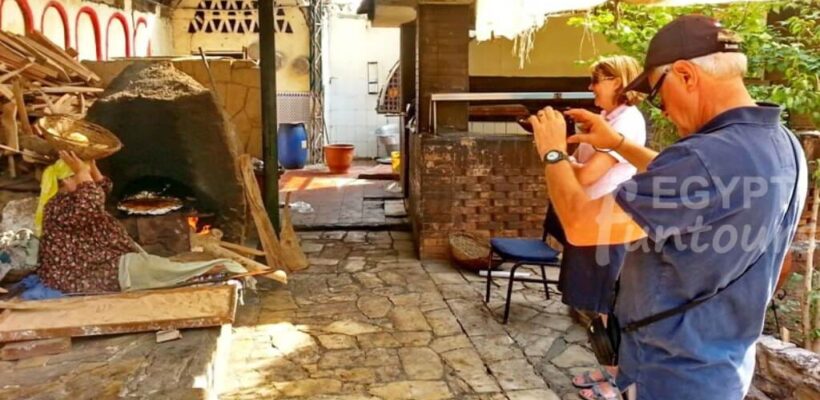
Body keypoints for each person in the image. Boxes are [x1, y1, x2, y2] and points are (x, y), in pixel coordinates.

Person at [530, 15, 806, 400]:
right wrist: (618, 143)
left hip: (673, 370)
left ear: (686, 75)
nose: (660, 109)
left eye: (659, 93)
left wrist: (553, 151)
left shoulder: (707, 157)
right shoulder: (781, 143)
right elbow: (693, 180)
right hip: (719, 361)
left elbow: (580, 224)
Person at [541, 55, 646, 400]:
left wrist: (554, 153)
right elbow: (578, 168)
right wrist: (558, 153)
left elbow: (585, 176)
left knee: (608, 307)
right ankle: (609, 372)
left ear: (618, 81)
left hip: (608, 230)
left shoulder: (627, 122)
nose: (591, 87)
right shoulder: (605, 119)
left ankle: (617, 381)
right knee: (595, 308)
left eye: (597, 80)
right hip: (592, 224)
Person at [37, 151, 245, 294]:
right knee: (156, 271)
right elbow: (90, 201)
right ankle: (210, 274)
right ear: (64, 181)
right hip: (83, 275)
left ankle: (209, 272)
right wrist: (84, 174)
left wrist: (92, 168)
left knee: (159, 268)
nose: (85, 181)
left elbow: (98, 193)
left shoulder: (73, 197)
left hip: (103, 264)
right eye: (78, 177)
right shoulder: (58, 206)